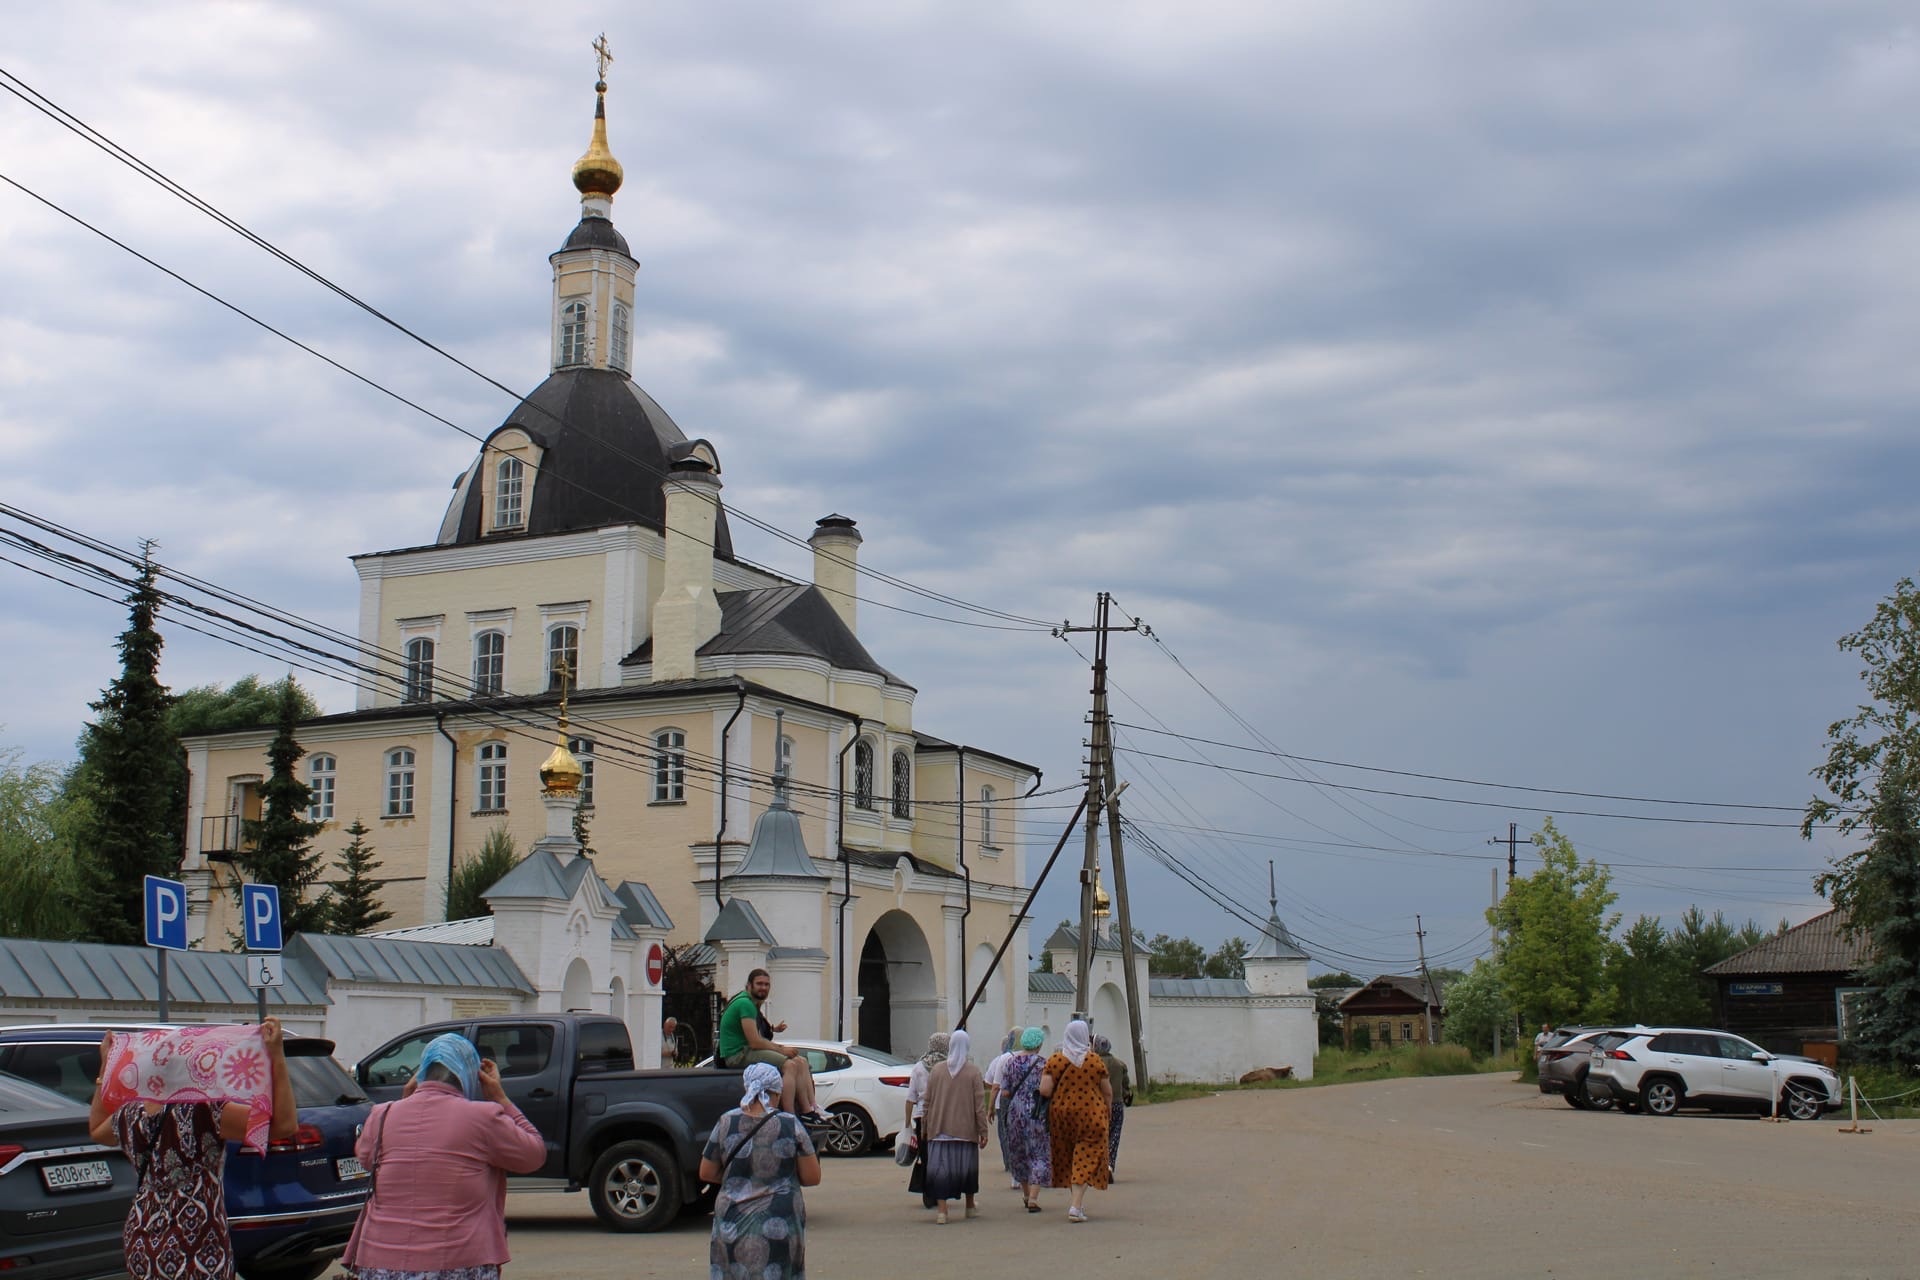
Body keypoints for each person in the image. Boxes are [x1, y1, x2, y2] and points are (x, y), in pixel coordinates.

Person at [88, 1018, 297, 1280]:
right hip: (197, 1246)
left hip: (142, 1243)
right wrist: (277, 1056)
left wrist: (105, 1067)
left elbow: (96, 1129)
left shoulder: (131, 1113)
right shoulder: (204, 1111)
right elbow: (284, 1125)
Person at [341, 1032, 548, 1279]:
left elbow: (367, 1159)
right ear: (471, 1075)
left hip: (381, 1264)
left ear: (420, 1074)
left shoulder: (382, 1115)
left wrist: (407, 1101)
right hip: (457, 1262)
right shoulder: (482, 1117)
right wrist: (499, 1097)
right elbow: (533, 1154)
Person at [699, 1061, 821, 1279]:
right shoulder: (789, 1124)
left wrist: (739, 1179)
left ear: (748, 1088)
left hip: (731, 1220)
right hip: (779, 1221)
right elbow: (812, 1177)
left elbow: (706, 1172)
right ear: (776, 1092)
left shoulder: (726, 1121)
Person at [716, 968, 823, 1120]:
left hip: (745, 1050)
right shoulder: (745, 1004)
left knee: (801, 1061)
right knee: (790, 1065)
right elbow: (754, 1042)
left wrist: (774, 1030)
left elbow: (757, 1031)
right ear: (749, 985)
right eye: (759, 984)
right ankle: (790, 1116)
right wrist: (782, 1050)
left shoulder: (749, 1003)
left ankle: (810, 1109)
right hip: (737, 1054)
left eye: (767, 984)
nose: (763, 987)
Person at [1041, 1019, 1112, 1223]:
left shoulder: (1055, 1061)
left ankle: (1076, 1200)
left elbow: (1045, 1090)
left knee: (1071, 1157)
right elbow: (1107, 1091)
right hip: (1091, 1114)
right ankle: (1076, 1206)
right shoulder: (1094, 1061)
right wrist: (1108, 1111)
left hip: (1061, 1116)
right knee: (1087, 1156)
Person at [919, 1029, 990, 1224]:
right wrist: (983, 1131)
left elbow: (927, 1101)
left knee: (940, 1170)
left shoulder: (937, 1070)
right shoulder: (973, 1072)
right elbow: (979, 1105)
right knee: (966, 1169)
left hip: (939, 1129)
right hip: (965, 1131)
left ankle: (942, 1211)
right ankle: (969, 1206)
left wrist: (925, 1127)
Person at [1000, 1027, 1052, 1212]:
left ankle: (1025, 1193)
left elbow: (1005, 1092)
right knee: (1039, 1153)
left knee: (1019, 1152)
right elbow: (1048, 1089)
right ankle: (1034, 1198)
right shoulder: (1044, 1064)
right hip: (1037, 1113)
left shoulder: (1011, 1062)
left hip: (1015, 1113)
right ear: (1038, 1044)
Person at [903, 1032, 950, 1210]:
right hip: (944, 1116)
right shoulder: (947, 1066)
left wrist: (908, 1122)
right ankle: (941, 1191)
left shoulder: (918, 1067)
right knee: (943, 1156)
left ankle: (927, 1192)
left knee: (926, 1155)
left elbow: (910, 1097)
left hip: (922, 1117)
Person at [981, 1028, 1021, 1189]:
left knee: (1005, 1132)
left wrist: (989, 1107)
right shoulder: (1032, 1057)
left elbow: (992, 1084)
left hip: (1002, 1102)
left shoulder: (1002, 1059)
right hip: (1024, 1102)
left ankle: (1009, 1163)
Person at [1093, 1033, 1133, 1180]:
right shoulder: (1120, 1064)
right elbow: (1126, 1086)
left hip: (1097, 1105)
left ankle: (1096, 1166)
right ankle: (1109, 1165)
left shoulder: (1093, 1063)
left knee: (1097, 1136)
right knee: (1114, 1135)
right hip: (1116, 1104)